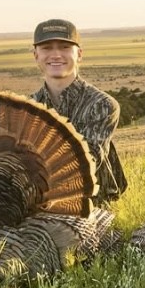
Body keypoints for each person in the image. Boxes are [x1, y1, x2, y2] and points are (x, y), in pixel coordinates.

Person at [30, 18, 127, 205]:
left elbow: (86, 163)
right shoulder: (28, 107)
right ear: (36, 55)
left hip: (93, 205)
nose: (56, 55)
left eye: (65, 47)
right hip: (37, 203)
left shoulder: (102, 105)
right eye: (47, 48)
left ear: (79, 54)